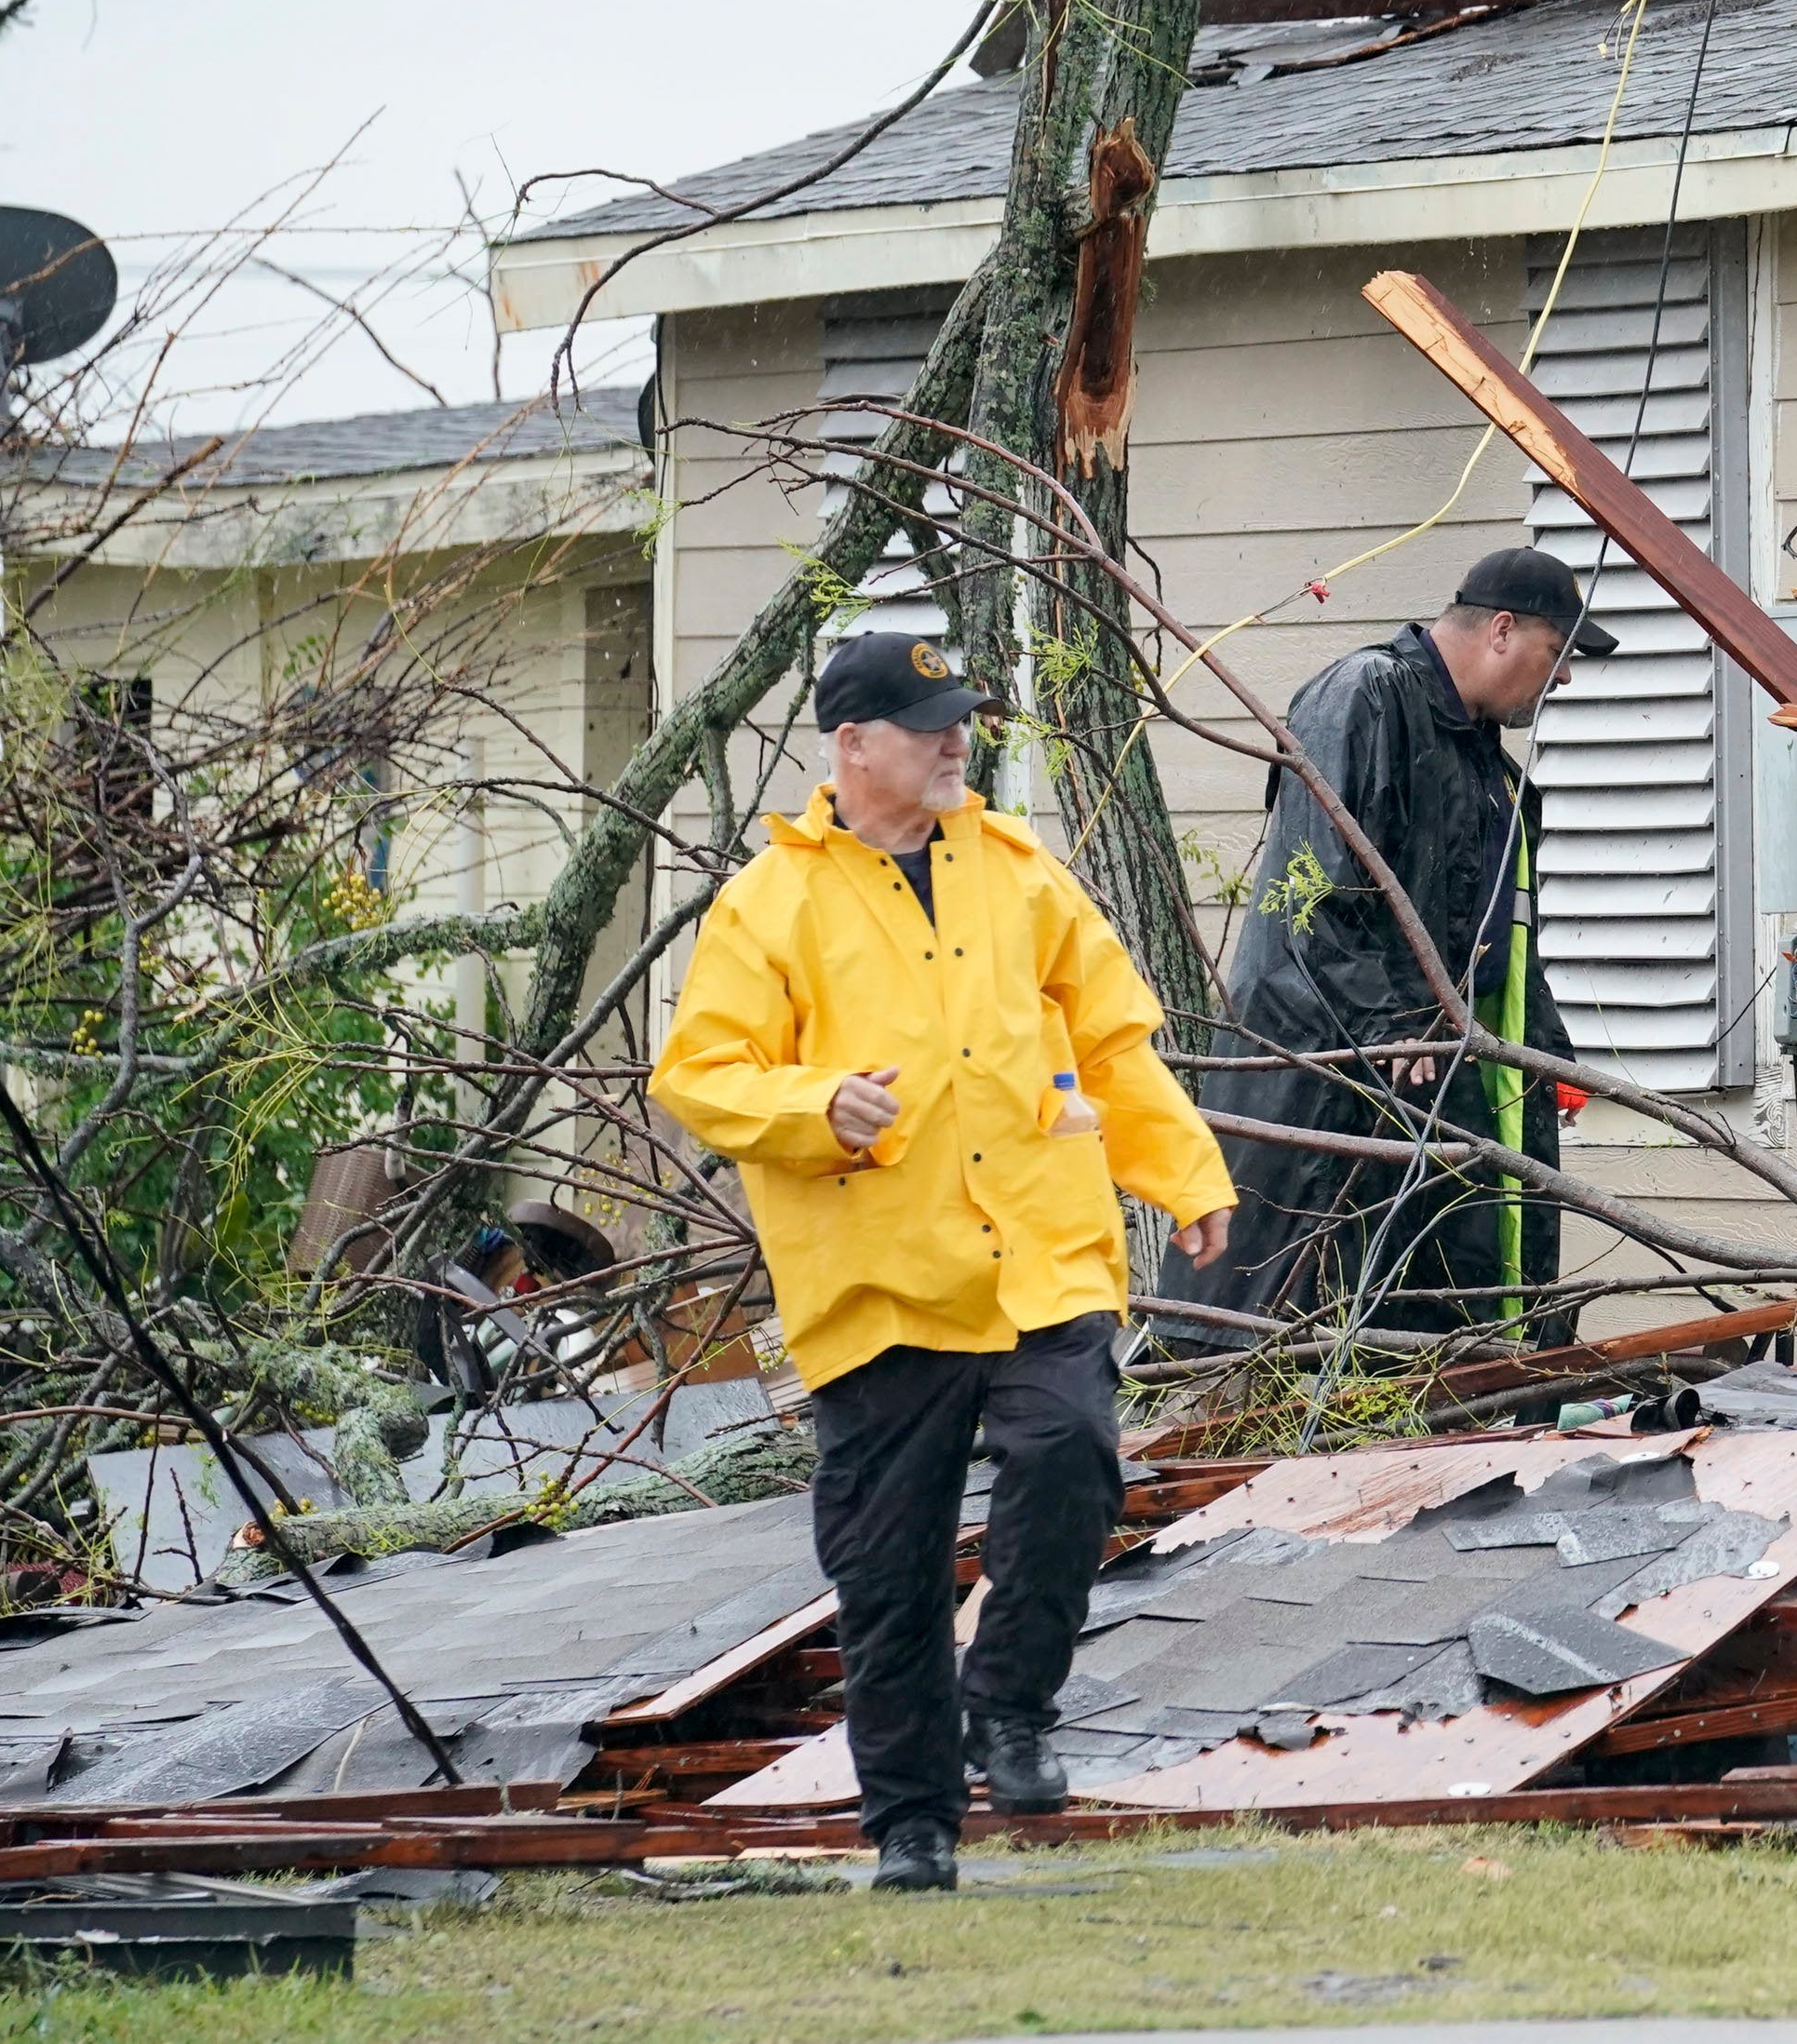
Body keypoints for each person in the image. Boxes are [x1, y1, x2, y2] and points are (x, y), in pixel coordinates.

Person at [650, 631, 1236, 1896]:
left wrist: (1180, 1170)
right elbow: (700, 1072)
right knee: (889, 1563)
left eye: (962, 718)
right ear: (852, 743)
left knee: (1071, 1452)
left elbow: (1116, 1037)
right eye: (929, 722)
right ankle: (912, 1818)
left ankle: (1012, 1704)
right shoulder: (772, 901)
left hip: (1040, 1249)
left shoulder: (1019, 873)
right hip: (882, 1278)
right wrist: (817, 1106)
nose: (956, 739)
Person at [1172, 545, 1613, 1335]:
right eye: (1559, 653)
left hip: (1429, 1089)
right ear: (1502, 631)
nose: (1565, 679)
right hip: (1329, 1090)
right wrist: (1395, 1022)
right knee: (1316, 1336)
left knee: (1437, 1337)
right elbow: (1314, 902)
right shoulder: (1366, 698)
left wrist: (1545, 1057)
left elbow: (1498, 945)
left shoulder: (1493, 775)